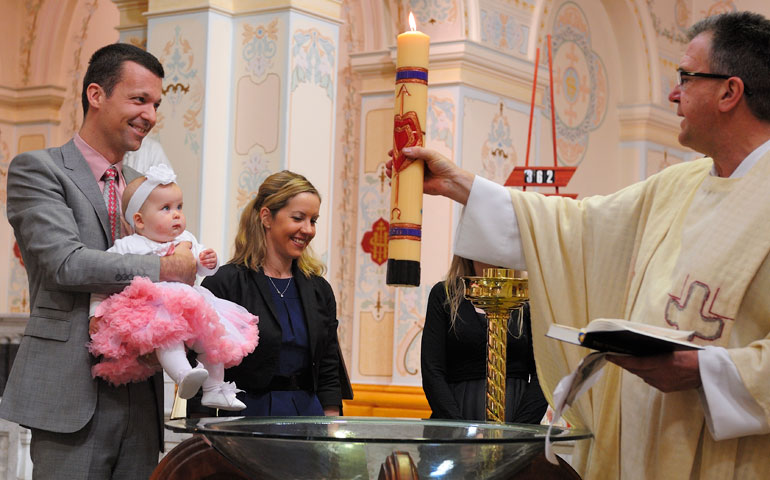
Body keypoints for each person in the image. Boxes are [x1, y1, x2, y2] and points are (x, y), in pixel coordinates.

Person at [390, 11, 770, 479]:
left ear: (730, 92)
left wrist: (706, 373)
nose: (673, 93)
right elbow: (580, 228)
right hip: (641, 447)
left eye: (686, 78)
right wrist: (463, 185)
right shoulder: (679, 184)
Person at [1, 43, 198, 478]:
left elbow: (175, 258)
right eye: (139, 99)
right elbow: (66, 264)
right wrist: (164, 268)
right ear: (96, 94)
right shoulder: (40, 170)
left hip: (140, 394)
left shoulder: (144, 187)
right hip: (71, 391)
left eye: (156, 104)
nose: (149, 114)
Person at [88, 164, 259, 411]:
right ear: (140, 221)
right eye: (166, 209)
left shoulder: (186, 239)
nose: (176, 214)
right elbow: (103, 281)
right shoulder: (129, 246)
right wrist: (95, 312)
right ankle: (183, 375)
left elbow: (200, 265)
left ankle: (214, 389)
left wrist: (208, 261)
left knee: (212, 338)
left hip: (191, 304)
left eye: (179, 207)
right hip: (154, 308)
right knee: (168, 338)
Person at [191, 170, 352, 417]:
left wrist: (331, 425)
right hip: (243, 417)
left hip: (307, 417)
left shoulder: (319, 289)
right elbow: (202, 362)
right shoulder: (225, 283)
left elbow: (328, 365)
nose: (308, 229)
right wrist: (202, 434)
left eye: (313, 220)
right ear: (267, 217)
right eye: (298, 218)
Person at [422, 256, 547, 423]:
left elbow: (543, 374)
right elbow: (432, 370)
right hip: (455, 416)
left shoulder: (525, 296)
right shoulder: (445, 294)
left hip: (516, 418)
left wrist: (519, 433)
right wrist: (460, 432)